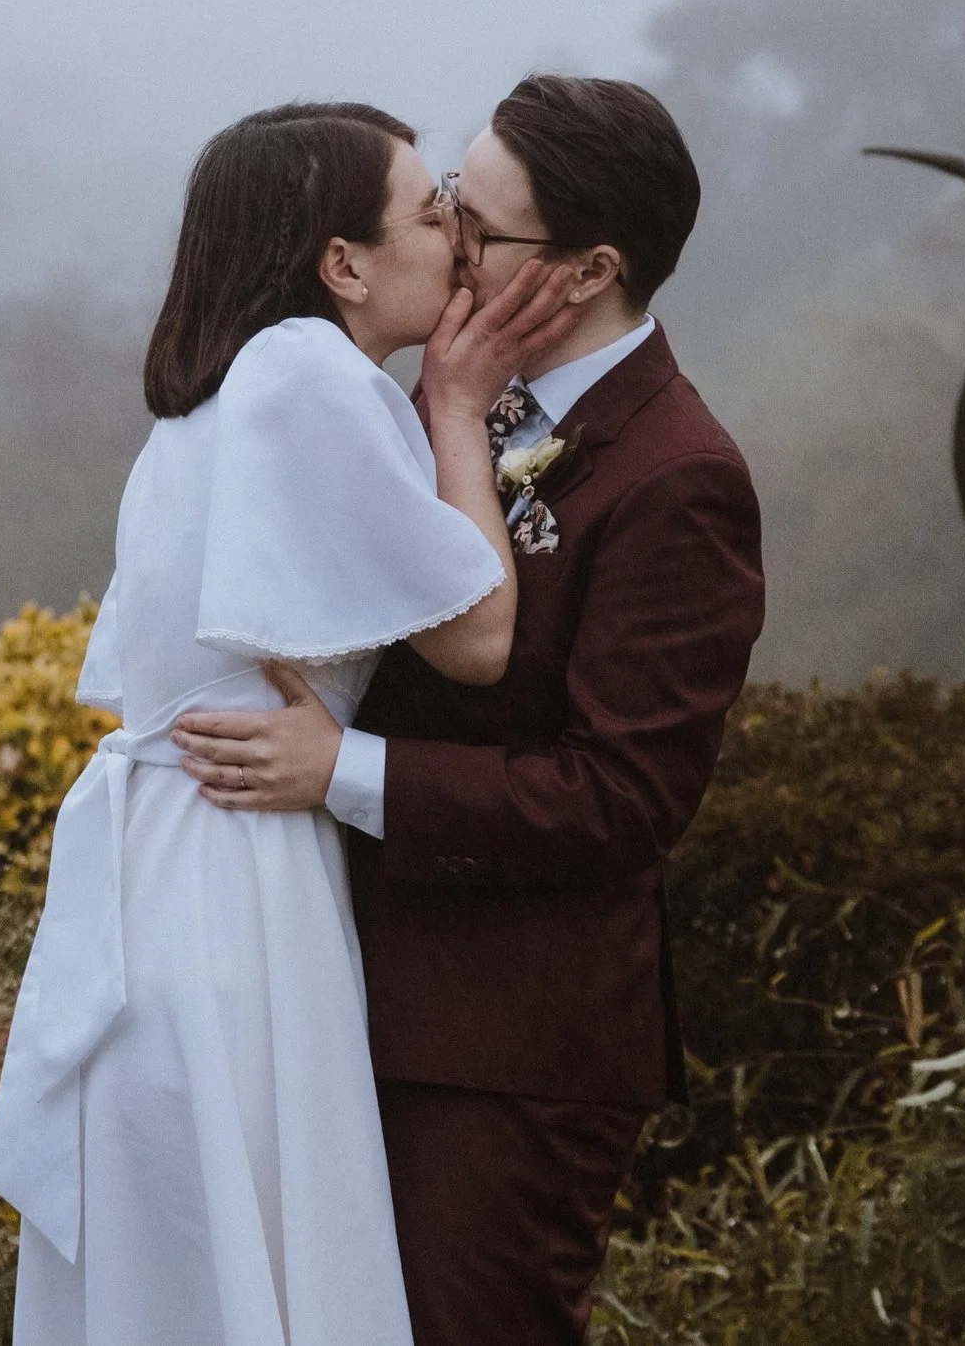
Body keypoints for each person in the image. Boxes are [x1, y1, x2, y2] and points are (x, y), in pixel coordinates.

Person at [173, 75, 768, 1346]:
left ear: (589, 267)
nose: (448, 241)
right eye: (445, 205)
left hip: (510, 1050)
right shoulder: (453, 397)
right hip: (344, 993)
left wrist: (340, 771)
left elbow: (621, 800)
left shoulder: (681, 478)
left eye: (479, 227)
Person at [0, 101, 578, 1346]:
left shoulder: (216, 394)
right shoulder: (312, 374)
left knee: (191, 1257)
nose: (459, 241)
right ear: (342, 264)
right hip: (236, 877)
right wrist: (458, 405)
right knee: (261, 1239)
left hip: (173, 858)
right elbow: (476, 639)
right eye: (430, 214)